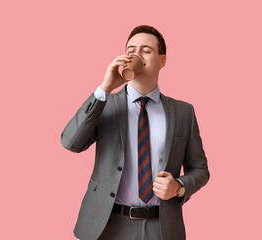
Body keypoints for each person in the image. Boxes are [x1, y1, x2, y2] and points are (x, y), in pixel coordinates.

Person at [61, 25, 209, 240]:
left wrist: (178, 187)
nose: (136, 55)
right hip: (107, 225)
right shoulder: (105, 104)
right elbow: (70, 142)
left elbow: (200, 169)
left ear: (162, 60)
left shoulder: (184, 112)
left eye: (146, 50)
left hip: (163, 227)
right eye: (131, 50)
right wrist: (104, 88)